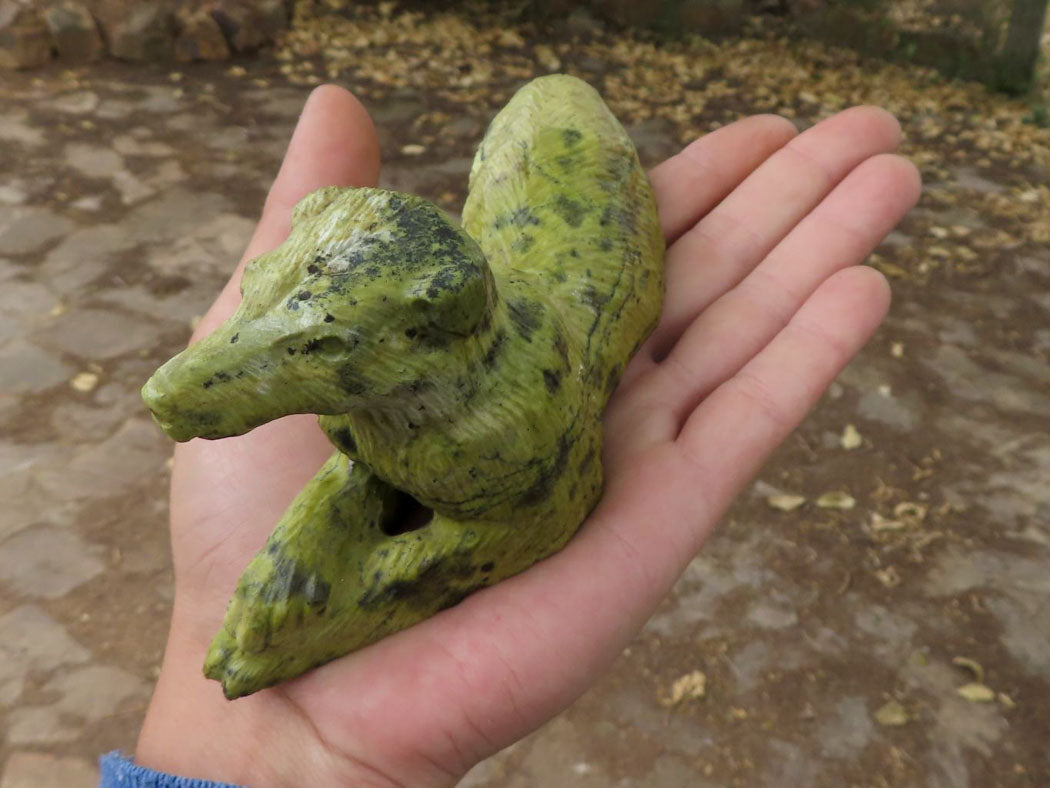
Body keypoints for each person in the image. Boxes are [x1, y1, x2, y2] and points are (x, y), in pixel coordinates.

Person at [99, 85, 920, 787]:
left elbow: (529, 519)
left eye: (318, 346)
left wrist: (338, 607)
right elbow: (357, 464)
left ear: (440, 328)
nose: (175, 389)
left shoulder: (511, 430)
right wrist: (280, 595)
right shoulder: (380, 396)